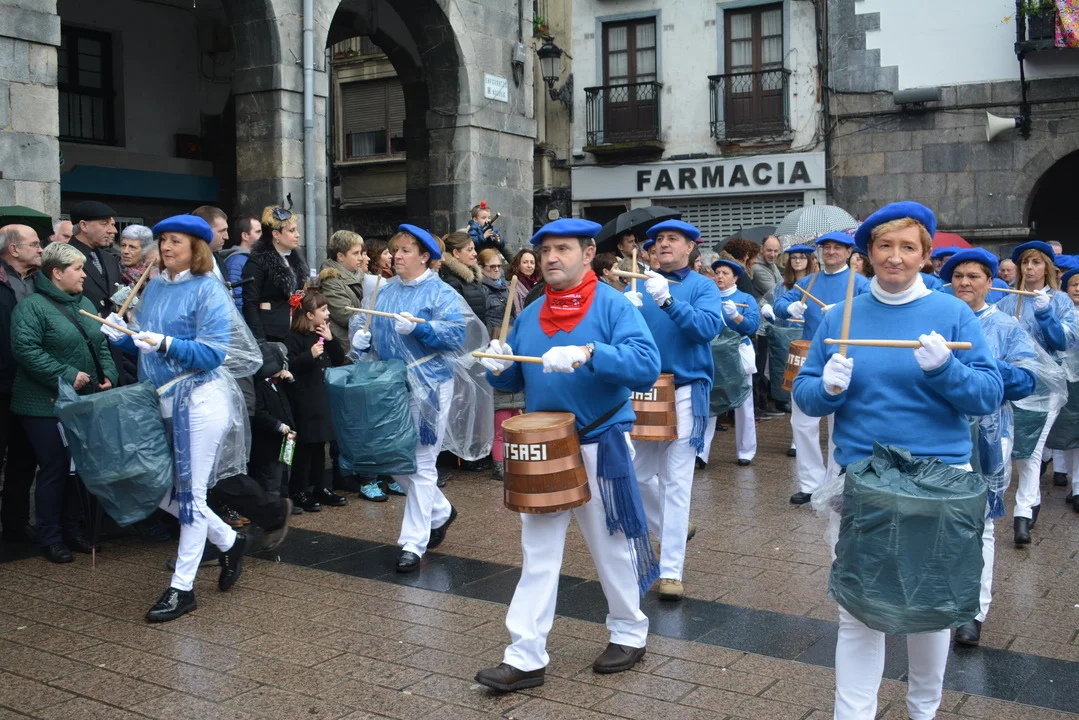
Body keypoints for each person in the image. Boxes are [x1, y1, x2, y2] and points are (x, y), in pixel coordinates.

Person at [793, 201, 1003, 720]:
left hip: (939, 481)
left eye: (908, 247)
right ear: (868, 253)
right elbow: (805, 397)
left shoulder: (953, 313)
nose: (895, 257)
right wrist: (828, 388)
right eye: (885, 245)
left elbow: (986, 395)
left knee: (930, 607)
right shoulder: (841, 315)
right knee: (858, 611)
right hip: (862, 478)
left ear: (925, 256)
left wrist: (947, 369)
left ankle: (923, 711)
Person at [475, 217, 661, 690]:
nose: (552, 258)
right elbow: (515, 377)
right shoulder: (531, 312)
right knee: (537, 552)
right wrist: (498, 366)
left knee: (611, 545)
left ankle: (629, 631)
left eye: (563, 249)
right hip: (545, 447)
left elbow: (646, 366)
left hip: (601, 440)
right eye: (546, 250)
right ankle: (525, 655)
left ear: (587, 252)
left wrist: (592, 352)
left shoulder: (613, 305)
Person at [99, 214, 261, 623]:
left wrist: (166, 343)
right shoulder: (154, 287)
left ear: (196, 248)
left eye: (175, 240)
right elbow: (146, 346)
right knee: (155, 487)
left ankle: (182, 589)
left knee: (191, 495)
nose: (166, 247)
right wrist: (124, 336)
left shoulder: (209, 289)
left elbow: (213, 354)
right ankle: (229, 540)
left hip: (202, 398)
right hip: (160, 399)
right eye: (163, 240)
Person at [349, 225, 467, 573]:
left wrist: (420, 328)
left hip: (430, 384)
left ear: (425, 257)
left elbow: (456, 335)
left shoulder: (441, 293)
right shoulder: (383, 291)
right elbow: (366, 327)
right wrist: (360, 341)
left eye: (405, 250)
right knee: (393, 456)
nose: (396, 256)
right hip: (391, 385)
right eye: (395, 250)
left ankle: (413, 543)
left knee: (422, 460)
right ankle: (440, 511)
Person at [940, 248, 1038, 647]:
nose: (965, 282)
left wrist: (986, 366)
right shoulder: (937, 319)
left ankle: (973, 611)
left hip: (989, 435)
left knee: (980, 524)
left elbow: (1028, 380)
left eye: (974, 276)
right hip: (938, 430)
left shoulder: (1007, 327)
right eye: (958, 276)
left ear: (990, 282)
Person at [625, 219, 723, 600]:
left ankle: (670, 571)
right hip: (644, 391)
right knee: (635, 474)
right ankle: (672, 527)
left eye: (672, 239)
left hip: (685, 388)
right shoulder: (636, 284)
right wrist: (623, 312)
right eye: (658, 240)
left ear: (689, 247)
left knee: (676, 480)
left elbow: (707, 329)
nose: (664, 244)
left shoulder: (703, 286)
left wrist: (669, 302)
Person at [10, 242, 118, 562]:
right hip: (43, 405)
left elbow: (99, 343)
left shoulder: (84, 302)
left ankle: (73, 529)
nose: (84, 275)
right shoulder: (31, 307)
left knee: (78, 466)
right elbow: (26, 350)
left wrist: (108, 373)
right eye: (78, 269)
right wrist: (67, 374)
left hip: (81, 402)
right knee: (56, 467)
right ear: (57, 273)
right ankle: (51, 536)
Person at [774, 231, 870, 505]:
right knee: (802, 422)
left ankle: (834, 482)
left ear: (849, 252)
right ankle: (810, 483)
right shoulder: (809, 281)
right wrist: (789, 308)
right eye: (826, 247)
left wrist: (845, 309)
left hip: (845, 358)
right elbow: (780, 302)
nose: (831, 251)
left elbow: (873, 311)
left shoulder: (860, 283)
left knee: (840, 423)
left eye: (837, 247)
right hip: (811, 358)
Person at [995, 240, 1078, 543]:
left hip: (1047, 389)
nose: (1030, 268)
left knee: (1032, 448)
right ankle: (1029, 503)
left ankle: (1023, 511)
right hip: (1016, 385)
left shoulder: (1059, 300)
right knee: (1016, 447)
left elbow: (1063, 342)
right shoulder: (1007, 301)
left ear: (1047, 267)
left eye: (1036, 262)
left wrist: (1046, 314)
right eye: (1025, 263)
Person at [284, 292, 347, 511]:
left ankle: (320, 487)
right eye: (323, 310)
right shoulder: (293, 338)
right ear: (309, 315)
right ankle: (300, 489)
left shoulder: (322, 333)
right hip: (304, 399)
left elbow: (338, 359)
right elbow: (290, 366)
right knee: (305, 446)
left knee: (320, 443)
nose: (327, 313)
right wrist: (308, 355)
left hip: (322, 396)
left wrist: (331, 340)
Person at [0, 225, 42, 544]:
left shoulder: (40, 282)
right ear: (13, 249)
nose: (41, 249)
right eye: (35, 244)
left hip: (30, 384)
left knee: (24, 457)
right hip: (1, 382)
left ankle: (16, 523)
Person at [709, 257, 761, 465]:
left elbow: (752, 327)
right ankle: (700, 453)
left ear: (735, 278)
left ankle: (746, 451)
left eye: (725, 273)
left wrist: (736, 316)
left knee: (744, 402)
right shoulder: (709, 296)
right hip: (714, 352)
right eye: (717, 273)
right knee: (709, 401)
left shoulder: (746, 298)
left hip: (738, 351)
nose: (719, 277)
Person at [241, 206, 309, 342]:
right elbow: (250, 304)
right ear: (276, 234)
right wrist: (261, 340)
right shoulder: (257, 261)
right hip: (272, 335)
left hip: (297, 332)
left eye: (296, 229)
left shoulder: (295, 259)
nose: (297, 235)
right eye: (291, 230)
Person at [248, 342, 297, 503]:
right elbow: (259, 413)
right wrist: (277, 425)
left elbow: (294, 398)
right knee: (271, 477)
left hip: (287, 438)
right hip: (270, 442)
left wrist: (291, 380)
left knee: (285, 473)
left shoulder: (280, 383)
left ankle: (284, 502)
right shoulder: (259, 386)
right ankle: (273, 505)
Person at [66, 201, 120, 316]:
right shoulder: (63, 258)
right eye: (105, 224)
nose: (113, 231)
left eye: (112, 225)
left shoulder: (110, 259)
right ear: (84, 226)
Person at [318, 230, 367, 355]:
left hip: (356, 343)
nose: (361, 258)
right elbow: (345, 315)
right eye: (355, 253)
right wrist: (375, 318)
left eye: (360, 252)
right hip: (345, 347)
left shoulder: (358, 274)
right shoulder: (330, 280)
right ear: (340, 256)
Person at [439, 230, 490, 328]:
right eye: (470, 250)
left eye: (474, 249)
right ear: (456, 253)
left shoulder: (472, 277)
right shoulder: (450, 281)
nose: (475, 253)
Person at [222, 216, 262, 311]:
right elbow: (236, 296)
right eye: (258, 232)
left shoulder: (253, 258)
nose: (262, 236)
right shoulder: (236, 261)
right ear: (245, 236)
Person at [479, 248, 508, 338]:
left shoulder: (504, 286)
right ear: (481, 267)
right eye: (492, 266)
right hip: (492, 338)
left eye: (499, 266)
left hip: (508, 335)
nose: (496, 269)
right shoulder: (481, 289)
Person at [508, 248, 540, 317]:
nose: (529, 266)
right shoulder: (514, 286)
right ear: (518, 265)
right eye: (525, 262)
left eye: (532, 263)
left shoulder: (539, 283)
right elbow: (517, 314)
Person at [752, 235, 783, 302]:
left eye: (776, 251)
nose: (772, 255)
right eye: (769, 250)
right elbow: (778, 292)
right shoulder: (756, 268)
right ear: (761, 249)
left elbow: (783, 285)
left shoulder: (772, 264)